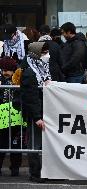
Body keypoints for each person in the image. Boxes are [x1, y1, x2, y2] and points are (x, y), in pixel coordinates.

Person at [20, 42, 51, 182]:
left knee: (41, 143)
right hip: (36, 114)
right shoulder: (29, 72)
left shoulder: (43, 69)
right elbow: (30, 97)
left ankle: (45, 172)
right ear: (36, 54)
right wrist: (37, 117)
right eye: (44, 53)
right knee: (34, 144)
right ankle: (35, 173)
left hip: (44, 111)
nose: (47, 55)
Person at [0, 57, 23, 177]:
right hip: (2, 118)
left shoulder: (19, 78)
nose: (5, 73)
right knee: (1, 143)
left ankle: (15, 168)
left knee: (16, 144)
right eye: (3, 70)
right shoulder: (1, 79)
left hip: (17, 118)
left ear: (13, 70)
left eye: (8, 70)